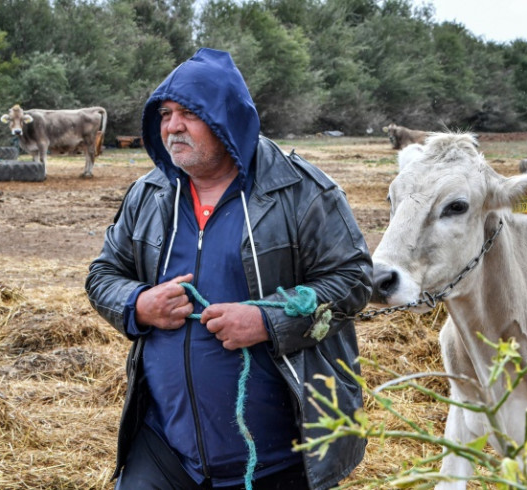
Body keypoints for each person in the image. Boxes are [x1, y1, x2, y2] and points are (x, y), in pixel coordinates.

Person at [85, 48, 372, 490]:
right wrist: (138, 303)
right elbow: (103, 274)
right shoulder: (150, 194)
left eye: (189, 113)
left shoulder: (300, 191)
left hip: (279, 459)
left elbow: (353, 282)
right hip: (164, 450)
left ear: (227, 118)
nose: (172, 126)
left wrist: (268, 321)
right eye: (165, 113)